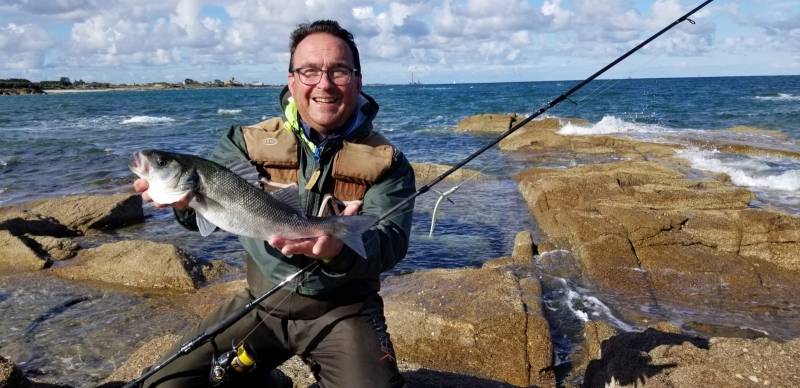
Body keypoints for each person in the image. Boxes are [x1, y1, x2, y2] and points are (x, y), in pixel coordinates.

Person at [133, 19, 415, 388]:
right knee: (163, 384)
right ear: (292, 80)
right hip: (262, 300)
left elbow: (391, 243)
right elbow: (202, 220)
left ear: (358, 80)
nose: (324, 84)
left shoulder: (388, 162)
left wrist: (337, 251)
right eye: (310, 71)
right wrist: (182, 204)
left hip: (343, 310)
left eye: (339, 71)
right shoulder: (244, 143)